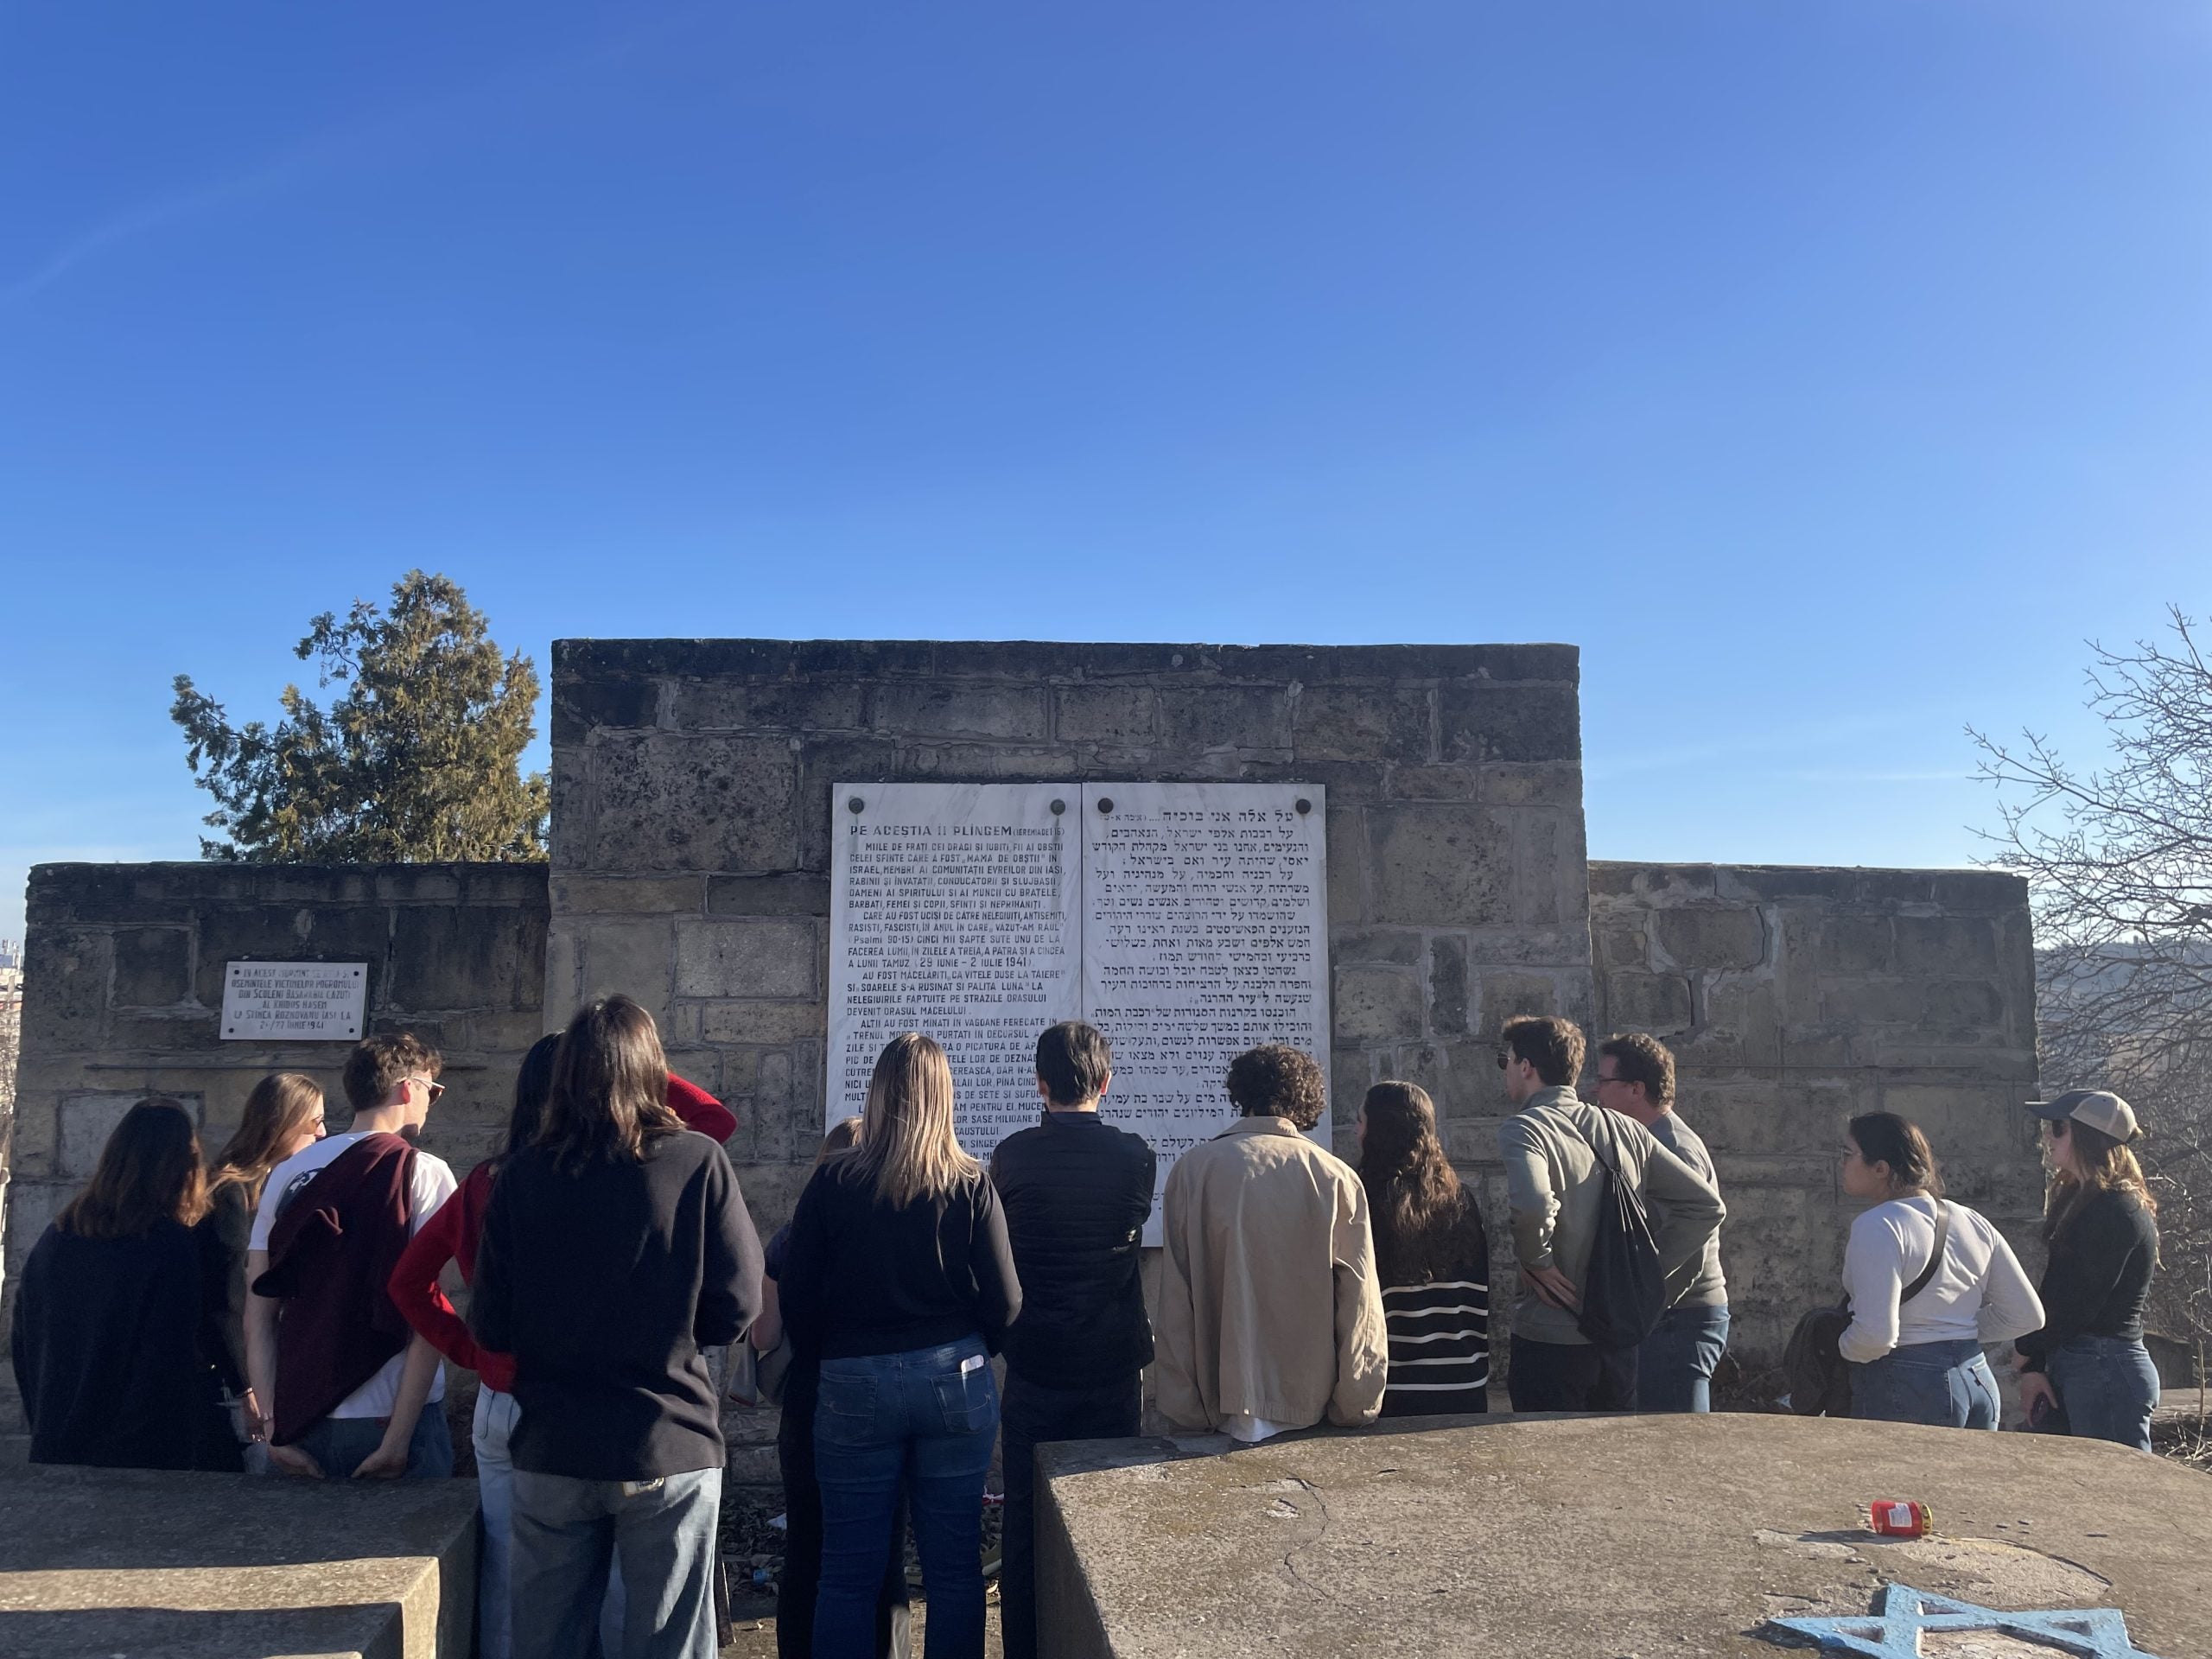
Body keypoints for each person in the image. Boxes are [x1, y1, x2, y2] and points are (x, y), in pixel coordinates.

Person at [470, 996, 762, 1659]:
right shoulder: (695, 1162)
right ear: (653, 1071)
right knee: (671, 1644)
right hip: (666, 1433)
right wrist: (680, 1329)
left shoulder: (521, 1175)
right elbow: (739, 1303)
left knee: (545, 1642)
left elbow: (490, 1322)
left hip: (554, 1439)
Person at [779, 1033, 1019, 1659]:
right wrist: (972, 1345)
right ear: (944, 1097)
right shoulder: (971, 1183)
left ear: (880, 1094)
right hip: (954, 1372)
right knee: (955, 1572)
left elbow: (798, 1289)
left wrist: (830, 1348)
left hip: (854, 1374)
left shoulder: (833, 1182)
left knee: (848, 1573)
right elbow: (1007, 1300)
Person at [990, 1021, 1157, 1659]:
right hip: (1111, 1360)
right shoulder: (1136, 1156)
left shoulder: (1011, 1157)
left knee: (1027, 1523)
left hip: (1035, 1360)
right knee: (1111, 1511)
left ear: (1040, 1083)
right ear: (1106, 1082)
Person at [245, 1032, 458, 1479]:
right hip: (392, 1414)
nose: (431, 1103)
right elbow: (430, 1311)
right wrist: (399, 1440)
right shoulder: (426, 1171)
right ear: (409, 1088)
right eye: (433, 1091)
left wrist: (272, 1425)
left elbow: (259, 1313)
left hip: (301, 1413)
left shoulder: (286, 1174)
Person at [1154, 1045, 1388, 1441]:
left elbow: (1177, 1299)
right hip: (1310, 1399)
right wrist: (1355, 1402)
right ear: (1306, 1099)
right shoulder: (1336, 1177)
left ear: (1241, 1094)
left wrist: (1184, 1407)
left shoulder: (1193, 1170)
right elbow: (1359, 1302)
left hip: (1219, 1401)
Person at [1495, 1015, 1725, 1414]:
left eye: (1507, 1060)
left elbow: (1532, 1206)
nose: (1507, 1070)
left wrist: (1538, 1261)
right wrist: (1642, 1275)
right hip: (1617, 1341)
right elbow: (1705, 1206)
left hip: (1553, 1334)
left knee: (1548, 1467)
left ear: (1526, 1066)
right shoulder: (1628, 1129)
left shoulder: (1526, 1128)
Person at [748, 1118, 912, 1659]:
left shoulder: (788, 1239)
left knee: (808, 1548)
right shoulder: (886, 1228)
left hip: (808, 1400)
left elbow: (765, 1333)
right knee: (883, 1547)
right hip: (876, 1397)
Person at [10, 1097, 242, 1471]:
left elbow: (23, 1341)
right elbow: (166, 1361)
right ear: (181, 1166)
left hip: (59, 1442)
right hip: (141, 1456)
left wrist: (45, 1417)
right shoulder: (167, 1245)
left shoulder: (58, 1237)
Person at [1838, 1112, 2044, 1428]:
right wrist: (1957, 1331)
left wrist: (1840, 1346)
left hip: (1907, 1383)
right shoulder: (1973, 1221)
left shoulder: (1878, 1225)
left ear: (1880, 1169)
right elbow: (2027, 1315)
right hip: (1977, 1378)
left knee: (1899, 1479)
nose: (1842, 1164)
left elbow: (1876, 1335)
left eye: (1848, 1155)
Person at [2013, 1090, 2162, 1452]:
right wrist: (2034, 1364)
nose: (2048, 1137)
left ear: (2086, 1136)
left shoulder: (2116, 1209)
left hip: (2104, 1369)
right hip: (2087, 1366)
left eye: (2058, 1128)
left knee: (2117, 1496)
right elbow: (2058, 1290)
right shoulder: (2085, 1199)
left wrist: (2026, 1351)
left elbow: (2079, 1301)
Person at [1592, 1034, 1730, 1412]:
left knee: (1676, 1447)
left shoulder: (1673, 1145)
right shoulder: (1647, 1139)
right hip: (1668, 1316)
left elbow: (1696, 1228)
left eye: (1604, 1081)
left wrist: (1644, 1291)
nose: (1595, 1090)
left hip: (1679, 1318)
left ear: (1636, 1089)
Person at [202, 1071, 328, 1460]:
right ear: (283, 1123)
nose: (323, 1133)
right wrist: (248, 1388)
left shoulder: (294, 1186)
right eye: (315, 1120)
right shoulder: (232, 1192)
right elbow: (225, 1299)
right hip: (239, 1380)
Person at [1355, 1081, 1491, 1418]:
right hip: (1465, 1385)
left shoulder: (1364, 1201)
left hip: (1391, 1390)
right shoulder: (1462, 1201)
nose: (1356, 1131)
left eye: (1360, 1121)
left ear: (1378, 1131)